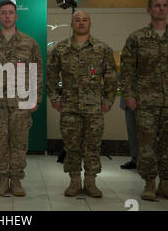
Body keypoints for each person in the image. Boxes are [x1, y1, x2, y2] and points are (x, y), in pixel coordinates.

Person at [120, 0, 168, 202]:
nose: (161, 9)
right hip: (146, 101)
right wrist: (128, 95)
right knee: (146, 145)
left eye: (165, 6)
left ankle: (166, 184)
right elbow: (127, 71)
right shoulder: (136, 38)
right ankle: (149, 184)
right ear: (149, 10)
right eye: (157, 6)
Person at [46, 11, 117, 198]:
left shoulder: (102, 48)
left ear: (90, 23)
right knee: (72, 146)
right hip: (69, 108)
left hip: (94, 108)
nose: (81, 23)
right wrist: (55, 98)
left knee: (93, 146)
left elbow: (111, 77)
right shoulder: (61, 49)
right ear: (71, 23)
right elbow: (51, 76)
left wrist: (108, 100)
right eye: (77, 20)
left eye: (85, 20)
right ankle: (75, 182)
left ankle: (91, 182)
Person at [0, 0, 43, 197]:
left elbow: (37, 72)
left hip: (21, 102)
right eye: (3, 13)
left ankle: (15, 180)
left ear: (16, 16)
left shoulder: (29, 42)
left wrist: (36, 98)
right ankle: (1, 179)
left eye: (10, 13)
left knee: (19, 142)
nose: (7, 16)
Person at [120, 96, 138, 169]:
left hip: (151, 99)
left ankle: (151, 160)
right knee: (132, 131)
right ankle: (135, 159)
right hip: (129, 98)